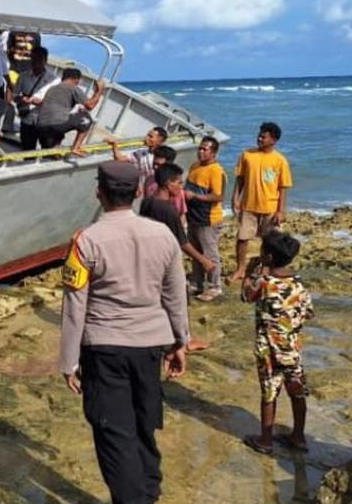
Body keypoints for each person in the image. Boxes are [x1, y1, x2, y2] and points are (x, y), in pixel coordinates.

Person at [60, 160, 189, 504]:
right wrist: (180, 342)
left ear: (98, 193)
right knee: (144, 423)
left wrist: (69, 361)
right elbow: (176, 296)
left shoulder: (86, 241)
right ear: (136, 193)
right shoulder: (162, 235)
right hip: (150, 346)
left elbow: (75, 305)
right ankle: (148, 491)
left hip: (104, 349)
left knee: (113, 432)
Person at [241, 230, 314, 455]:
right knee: (297, 390)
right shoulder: (299, 284)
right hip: (291, 347)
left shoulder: (265, 283)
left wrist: (249, 273)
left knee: (269, 392)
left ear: (268, 258)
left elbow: (246, 296)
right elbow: (308, 313)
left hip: (268, 349)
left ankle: (265, 439)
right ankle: (299, 436)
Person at [231, 122, 293, 283]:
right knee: (243, 238)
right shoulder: (247, 155)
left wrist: (281, 210)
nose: (259, 138)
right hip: (248, 206)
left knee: (270, 243)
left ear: (273, 140)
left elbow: (283, 187)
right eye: (259, 135)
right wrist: (235, 198)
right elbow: (240, 179)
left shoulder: (280, 160)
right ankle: (240, 269)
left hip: (270, 208)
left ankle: (265, 270)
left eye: (263, 136)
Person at [140, 164, 217, 284]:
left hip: (148, 257)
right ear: (168, 184)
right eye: (179, 183)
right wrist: (204, 261)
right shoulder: (169, 211)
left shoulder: (147, 202)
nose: (181, 188)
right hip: (164, 259)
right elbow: (183, 242)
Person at [185, 137, 228, 302]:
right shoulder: (195, 166)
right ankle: (197, 282)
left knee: (210, 253)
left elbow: (218, 196)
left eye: (205, 149)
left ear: (214, 152)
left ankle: (215, 286)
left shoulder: (216, 171)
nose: (201, 152)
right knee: (195, 252)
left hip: (208, 219)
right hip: (193, 216)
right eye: (200, 148)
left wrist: (195, 196)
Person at [31, 67, 106, 157]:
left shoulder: (52, 89)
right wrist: (99, 91)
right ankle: (76, 147)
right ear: (76, 79)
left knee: (50, 151)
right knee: (86, 118)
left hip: (41, 126)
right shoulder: (72, 88)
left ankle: (54, 152)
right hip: (56, 125)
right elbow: (90, 106)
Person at [12, 47, 54, 150]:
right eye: (34, 58)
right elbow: (14, 96)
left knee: (47, 152)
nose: (36, 61)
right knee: (27, 150)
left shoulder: (54, 80)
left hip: (45, 122)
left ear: (45, 60)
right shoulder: (22, 76)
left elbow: (56, 102)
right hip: (27, 119)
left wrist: (42, 102)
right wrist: (22, 99)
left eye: (40, 58)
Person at [143, 146, 186, 218]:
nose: (155, 167)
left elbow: (180, 214)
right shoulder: (149, 180)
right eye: (154, 163)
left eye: (159, 165)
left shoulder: (175, 186)